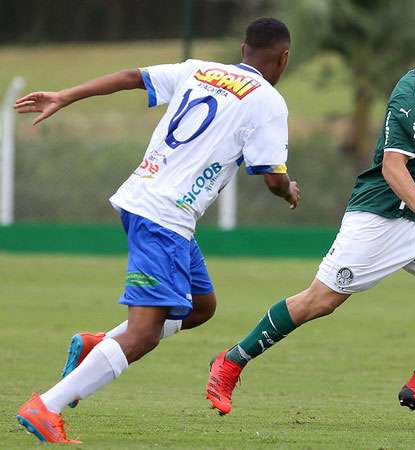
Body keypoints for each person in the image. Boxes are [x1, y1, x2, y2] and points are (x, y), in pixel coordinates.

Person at [205, 9, 415, 426]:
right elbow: (393, 167)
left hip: (414, 221)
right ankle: (230, 362)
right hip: (378, 217)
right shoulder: (410, 96)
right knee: (319, 302)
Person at [13, 18, 300, 444]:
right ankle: (46, 407)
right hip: (163, 215)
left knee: (200, 305)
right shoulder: (269, 102)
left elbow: (133, 77)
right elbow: (273, 178)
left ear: (243, 48)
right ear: (284, 57)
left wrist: (66, 95)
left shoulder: (199, 68)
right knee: (144, 332)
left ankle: (97, 346)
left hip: (152, 204)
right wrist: (288, 189)